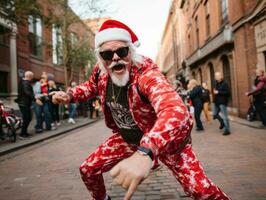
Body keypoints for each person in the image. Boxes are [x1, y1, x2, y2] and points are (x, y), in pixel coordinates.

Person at [51, 19, 230, 200]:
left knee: (202, 191)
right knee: (88, 170)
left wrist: (146, 151)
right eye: (107, 54)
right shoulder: (101, 73)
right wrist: (70, 95)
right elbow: (90, 87)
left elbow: (175, 110)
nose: (115, 58)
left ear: (131, 51)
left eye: (121, 51)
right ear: (101, 58)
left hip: (166, 143)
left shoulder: (146, 76)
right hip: (128, 138)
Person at [16, 71, 36, 139]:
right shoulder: (25, 83)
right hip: (24, 103)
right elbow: (27, 92)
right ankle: (22, 134)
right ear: (30, 77)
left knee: (28, 118)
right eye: (32, 77)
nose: (32, 78)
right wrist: (35, 98)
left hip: (24, 103)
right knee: (27, 118)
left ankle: (24, 132)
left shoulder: (22, 81)